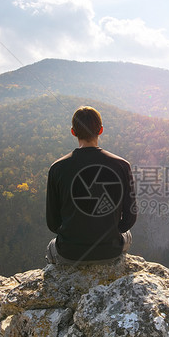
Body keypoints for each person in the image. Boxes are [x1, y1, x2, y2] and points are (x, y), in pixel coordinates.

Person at [45, 106, 137, 265]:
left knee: (51, 247)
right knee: (127, 234)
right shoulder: (122, 166)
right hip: (111, 251)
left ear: (73, 132)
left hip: (70, 253)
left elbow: (53, 223)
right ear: (100, 130)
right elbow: (129, 218)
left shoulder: (57, 168)